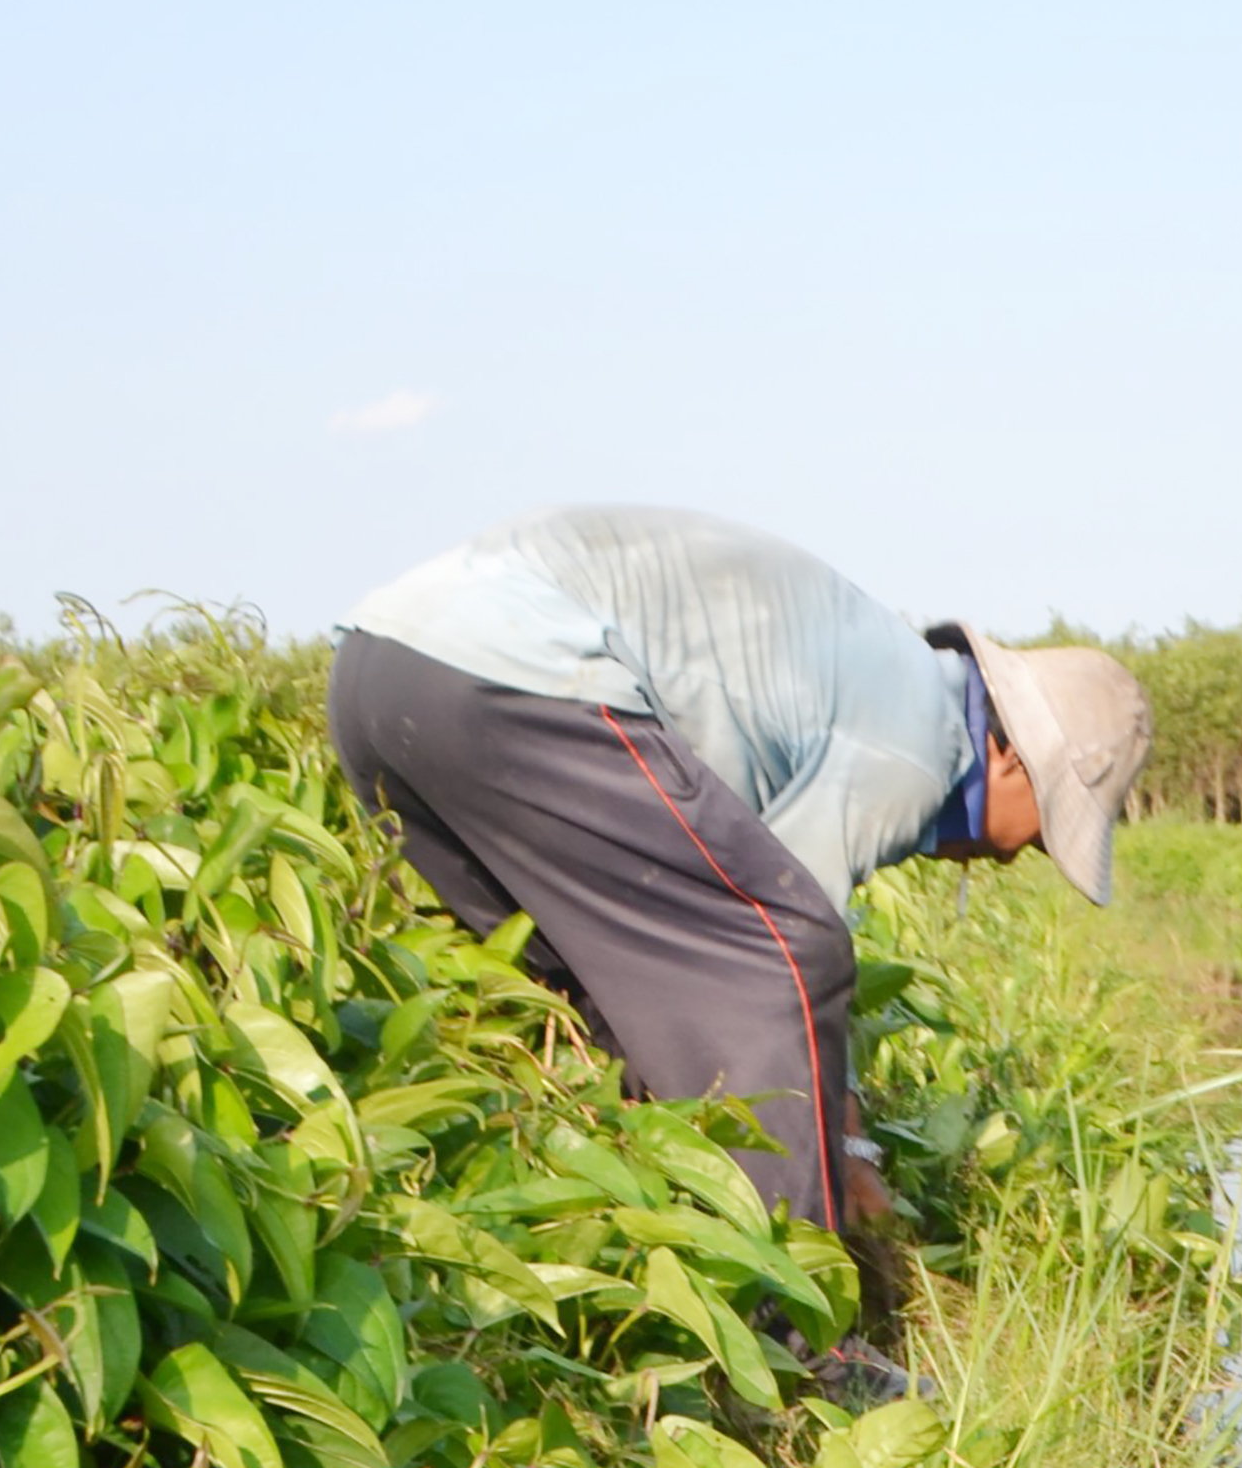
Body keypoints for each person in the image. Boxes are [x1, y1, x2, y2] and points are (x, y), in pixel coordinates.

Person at [325, 504, 1149, 1249]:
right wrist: (850, 1158)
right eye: (1041, 833)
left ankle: (611, 1245)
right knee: (782, 958)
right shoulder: (919, 743)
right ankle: (801, 1341)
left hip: (381, 667)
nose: (1010, 858)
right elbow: (786, 955)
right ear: (1010, 757)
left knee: (590, 982)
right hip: (516, 674)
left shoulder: (888, 673)